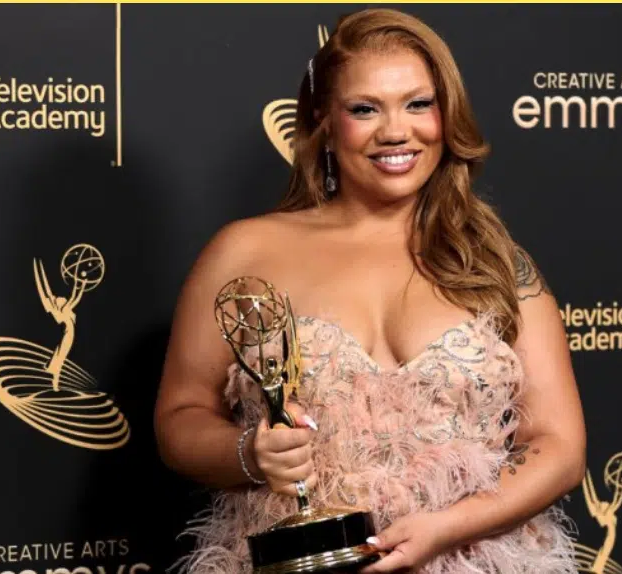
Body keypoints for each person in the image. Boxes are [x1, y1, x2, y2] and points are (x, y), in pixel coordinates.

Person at [154, 7, 586, 574]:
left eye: (418, 103)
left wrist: (447, 528)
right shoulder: (245, 252)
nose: (395, 131)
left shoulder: (497, 261)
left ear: (446, 113)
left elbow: (558, 444)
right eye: (364, 109)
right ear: (325, 123)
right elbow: (180, 418)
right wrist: (249, 453)